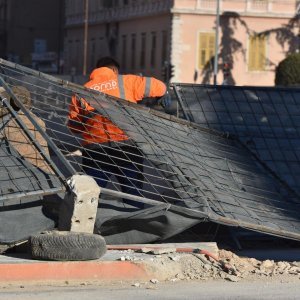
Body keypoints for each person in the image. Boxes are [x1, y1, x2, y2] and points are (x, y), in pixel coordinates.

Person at [68, 56, 169, 207]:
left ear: (96, 70)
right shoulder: (126, 81)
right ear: (114, 70)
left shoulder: (81, 92)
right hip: (127, 147)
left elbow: (74, 127)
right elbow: (159, 86)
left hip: (96, 150)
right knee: (133, 194)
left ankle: (86, 227)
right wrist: (164, 94)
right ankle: (133, 224)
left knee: (88, 197)